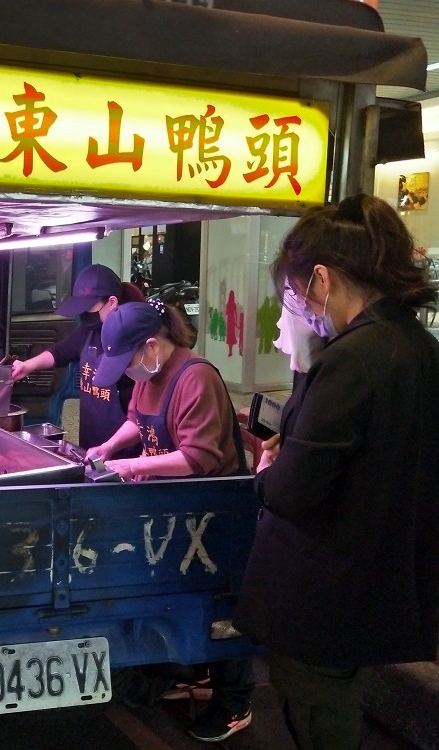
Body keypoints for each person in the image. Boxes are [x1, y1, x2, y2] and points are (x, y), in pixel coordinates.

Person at [234, 194, 439, 750]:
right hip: (379, 576)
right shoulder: (419, 348)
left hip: (326, 590)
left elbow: (294, 492)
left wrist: (270, 465)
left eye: (296, 294)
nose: (298, 310)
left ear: (321, 280)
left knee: (318, 709)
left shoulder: (350, 358)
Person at [85, 298, 253, 742]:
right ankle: (189, 673)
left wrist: (136, 467)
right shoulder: (149, 374)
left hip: (215, 506)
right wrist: (107, 449)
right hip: (175, 504)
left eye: (128, 361)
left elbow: (199, 457)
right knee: (174, 589)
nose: (127, 372)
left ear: (153, 345)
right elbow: (137, 422)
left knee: (216, 601)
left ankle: (236, 702)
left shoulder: (195, 377)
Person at [11, 264, 144, 454]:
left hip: (125, 448)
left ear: (112, 302)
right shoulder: (88, 330)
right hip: (92, 442)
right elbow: (60, 352)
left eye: (88, 306)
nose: (84, 314)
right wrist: (28, 366)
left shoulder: (132, 337)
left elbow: (143, 409)